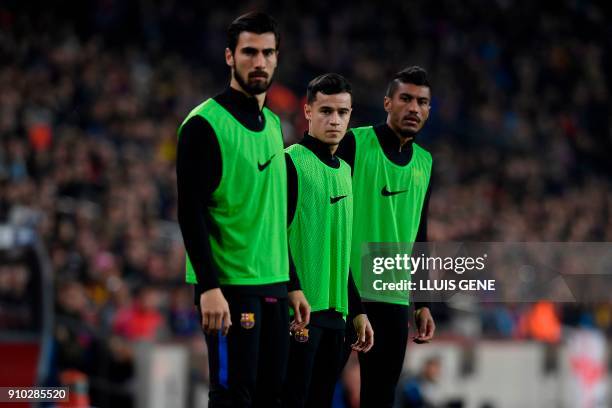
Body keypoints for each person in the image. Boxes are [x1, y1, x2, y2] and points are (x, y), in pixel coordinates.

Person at [176, 12, 309, 407]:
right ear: (230, 57)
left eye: (268, 52)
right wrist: (209, 287)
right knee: (234, 396)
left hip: (272, 284)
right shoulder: (204, 125)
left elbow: (273, 215)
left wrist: (293, 282)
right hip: (229, 289)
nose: (260, 61)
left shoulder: (273, 124)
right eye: (249, 52)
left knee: (274, 396)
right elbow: (190, 212)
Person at [336, 66, 436, 407]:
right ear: (387, 103)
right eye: (405, 99)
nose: (413, 108)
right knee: (312, 390)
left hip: (392, 296)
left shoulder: (425, 162)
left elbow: (420, 232)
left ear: (428, 110)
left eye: (421, 102)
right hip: (340, 289)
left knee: (380, 397)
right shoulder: (353, 142)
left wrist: (422, 302)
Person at [283, 73, 374, 408]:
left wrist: (358, 311)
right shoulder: (291, 161)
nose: (335, 120)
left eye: (342, 112)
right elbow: (276, 238)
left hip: (337, 317)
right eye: (325, 111)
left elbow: (343, 252)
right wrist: (292, 289)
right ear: (307, 111)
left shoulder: (346, 171)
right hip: (302, 313)